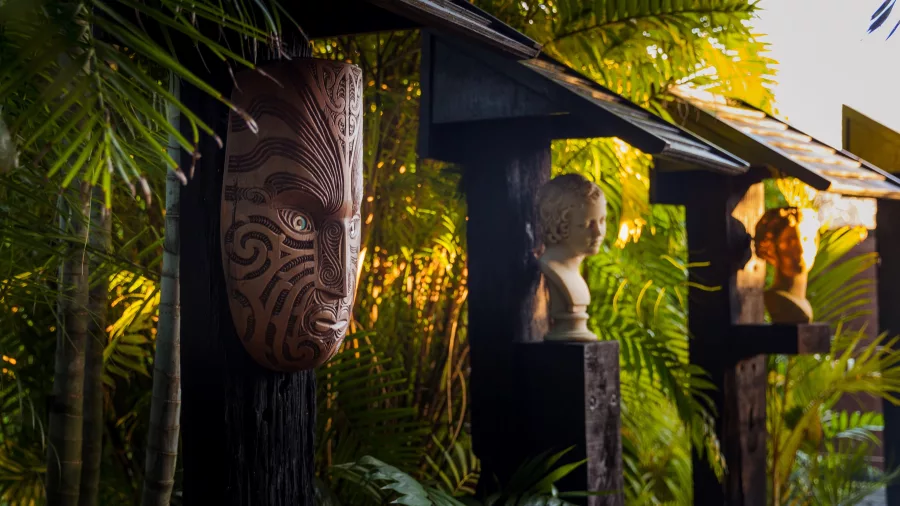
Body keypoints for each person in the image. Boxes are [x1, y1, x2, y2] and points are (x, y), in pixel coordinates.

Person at [536, 173, 607, 341]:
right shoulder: (552, 268)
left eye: (602, 220)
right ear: (559, 226)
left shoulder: (573, 275)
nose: (598, 232)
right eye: (588, 224)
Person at [754, 207, 820, 324]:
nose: (801, 249)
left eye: (806, 239)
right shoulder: (777, 300)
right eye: (790, 241)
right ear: (771, 248)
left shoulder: (802, 303)